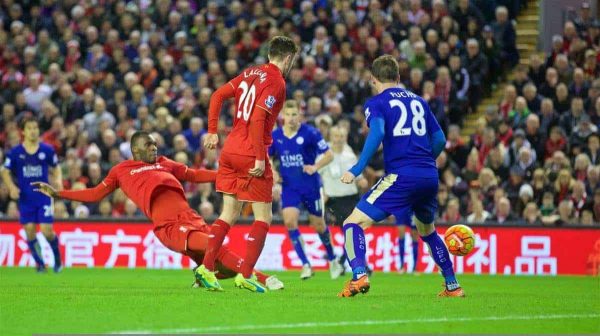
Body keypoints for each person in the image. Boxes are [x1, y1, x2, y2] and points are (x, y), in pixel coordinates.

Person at [32, 131, 283, 291]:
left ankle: (201, 275)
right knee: (215, 247)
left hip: (191, 217)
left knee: (222, 265)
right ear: (135, 150)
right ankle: (260, 277)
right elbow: (95, 193)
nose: (154, 148)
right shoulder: (121, 170)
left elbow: (193, 175)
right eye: (148, 145)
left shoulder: (164, 163)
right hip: (169, 226)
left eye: (154, 144)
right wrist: (59, 193)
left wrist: (226, 174)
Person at [337, 55, 463, 298]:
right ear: (398, 77)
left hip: (402, 175)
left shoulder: (376, 103)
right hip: (429, 175)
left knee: (352, 223)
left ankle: (359, 275)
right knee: (427, 231)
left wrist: (357, 168)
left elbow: (378, 132)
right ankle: (452, 286)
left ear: (373, 80)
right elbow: (439, 140)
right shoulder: (419, 101)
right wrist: (425, 160)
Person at [198, 36, 299, 292]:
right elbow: (257, 119)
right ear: (287, 58)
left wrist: (212, 131)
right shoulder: (277, 81)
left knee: (228, 213)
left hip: (230, 148)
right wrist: (258, 157)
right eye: (292, 61)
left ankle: (206, 268)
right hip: (249, 151)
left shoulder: (250, 72)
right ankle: (245, 275)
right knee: (263, 216)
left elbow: (218, 95)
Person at [269, 100, 342, 280]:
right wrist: (273, 171)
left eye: (295, 115)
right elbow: (267, 156)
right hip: (289, 187)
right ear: (282, 116)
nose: (292, 118)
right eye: (288, 114)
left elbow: (329, 155)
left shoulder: (310, 133)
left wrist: (315, 166)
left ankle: (332, 259)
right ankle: (306, 265)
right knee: (289, 221)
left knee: (318, 225)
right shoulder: (276, 136)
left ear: (300, 115)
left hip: (311, 187)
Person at [1, 117, 63, 273]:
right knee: (29, 230)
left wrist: (58, 180)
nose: (33, 131)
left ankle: (57, 260)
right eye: (30, 128)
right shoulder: (16, 152)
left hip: (43, 196)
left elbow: (56, 168)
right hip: (26, 198)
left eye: (35, 128)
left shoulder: (47, 150)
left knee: (47, 230)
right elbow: (4, 171)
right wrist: (11, 187)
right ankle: (40, 264)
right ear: (23, 131)